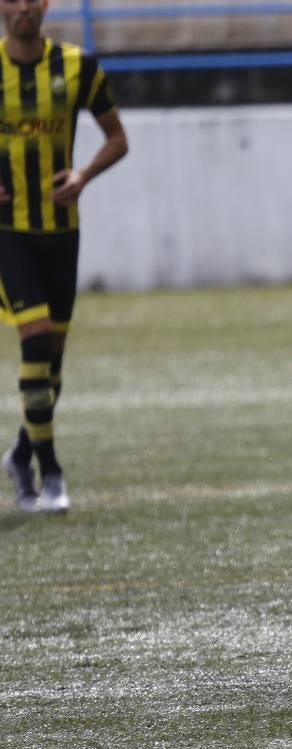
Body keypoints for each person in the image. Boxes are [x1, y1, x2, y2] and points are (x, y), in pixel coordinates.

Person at [0, 0, 128, 513]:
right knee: (33, 340)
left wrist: (82, 176)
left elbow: (117, 139)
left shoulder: (77, 66)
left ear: (45, 5)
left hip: (61, 232)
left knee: (51, 365)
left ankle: (20, 453)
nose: (23, 7)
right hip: (9, 232)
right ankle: (49, 472)